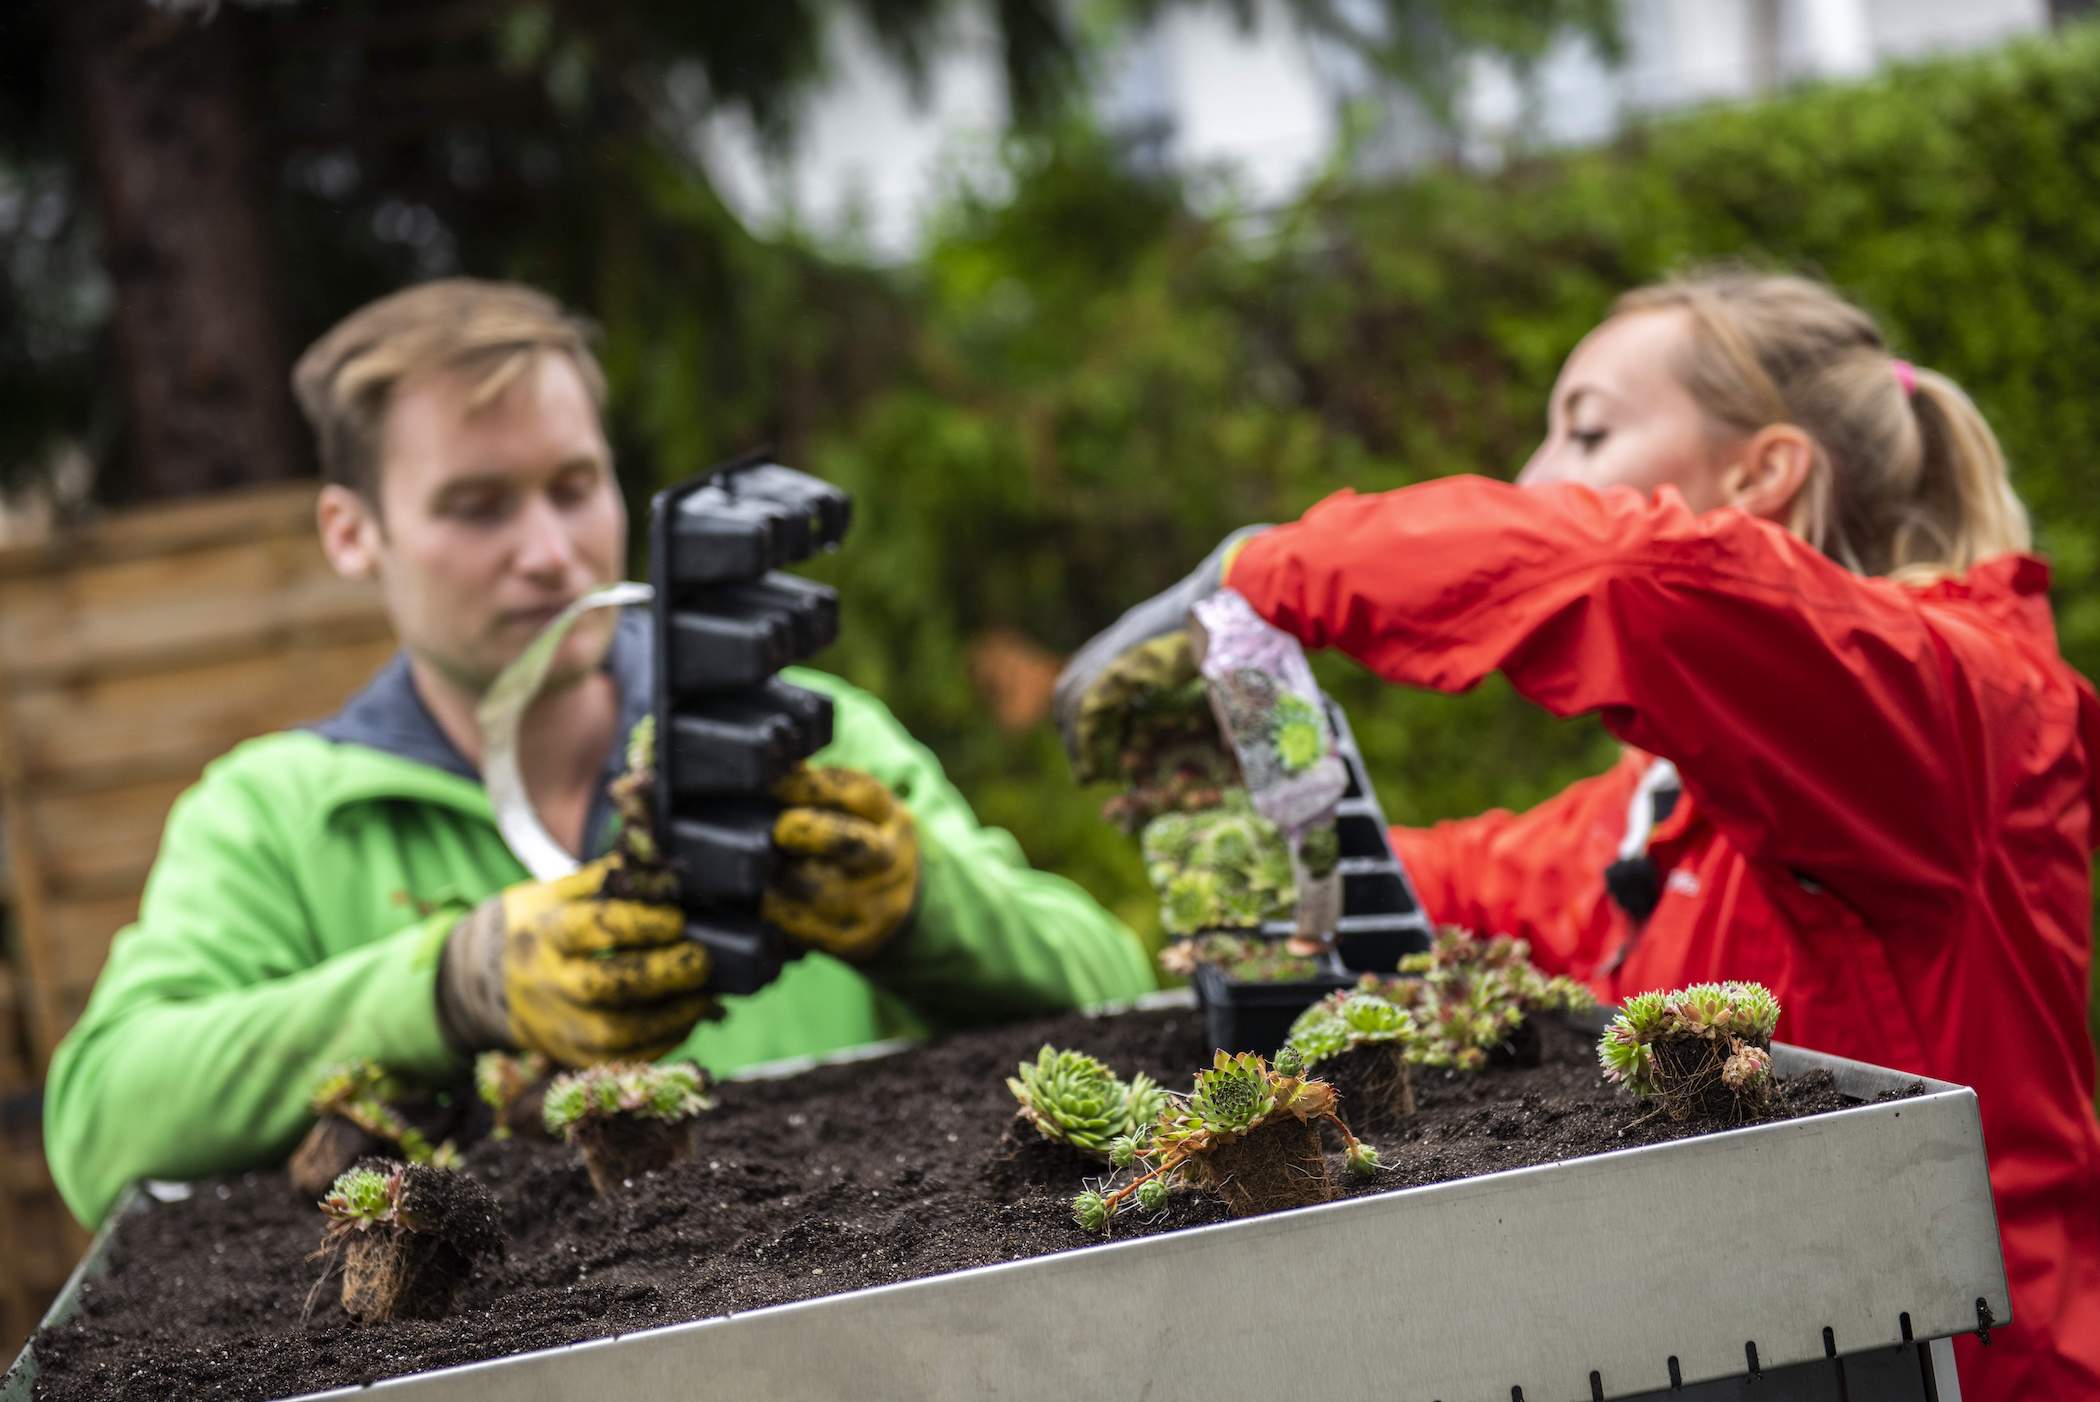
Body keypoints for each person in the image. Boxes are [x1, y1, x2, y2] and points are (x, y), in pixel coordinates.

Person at [1055, 271, 2100, 1399]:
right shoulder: (1660, 814)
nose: (1533, 479)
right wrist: (1245, 819)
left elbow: (1631, 574)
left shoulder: (1955, 716)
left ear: (1762, 473)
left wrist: (1263, 572)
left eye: (1587, 431)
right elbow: (1467, 888)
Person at [45, 279, 1153, 1228]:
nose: (548, 551)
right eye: (476, 508)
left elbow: (1114, 993)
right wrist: (445, 985)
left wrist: (922, 908)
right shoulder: (277, 816)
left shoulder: (808, 734)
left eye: (575, 487)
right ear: (352, 531)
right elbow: (101, 1124)